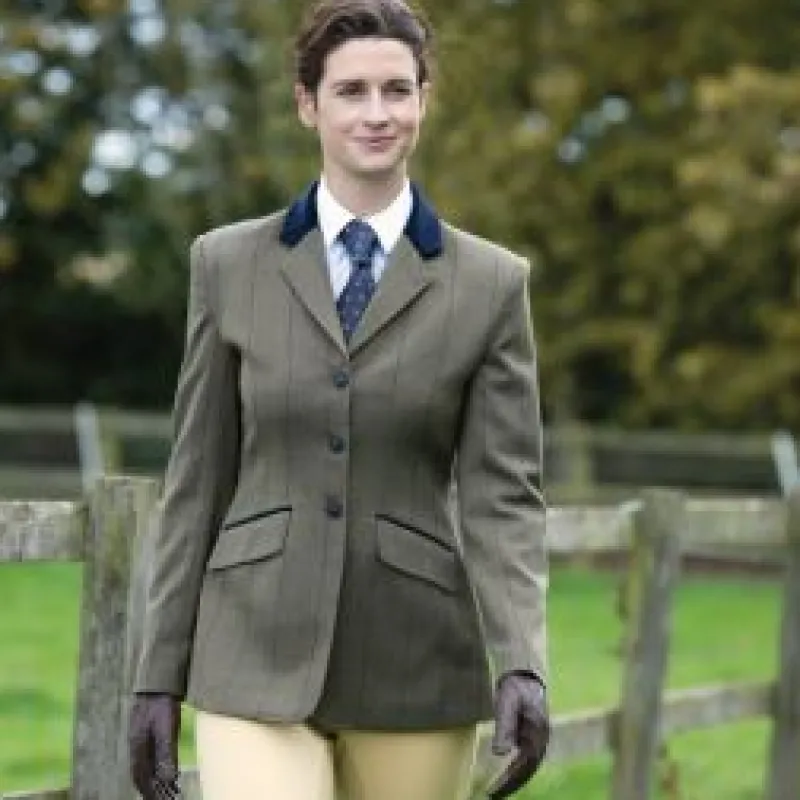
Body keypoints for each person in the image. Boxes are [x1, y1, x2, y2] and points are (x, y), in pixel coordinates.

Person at [128, 1, 549, 798]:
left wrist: (523, 661)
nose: (377, 113)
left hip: (416, 664)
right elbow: (196, 482)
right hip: (251, 652)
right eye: (351, 91)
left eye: (398, 89)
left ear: (424, 100)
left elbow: (504, 499)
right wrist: (158, 675)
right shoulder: (226, 265)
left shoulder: (493, 285)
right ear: (307, 104)